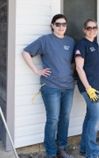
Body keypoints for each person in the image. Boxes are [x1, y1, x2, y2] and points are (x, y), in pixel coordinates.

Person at [22, 14, 75, 158]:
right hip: (51, 87)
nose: (61, 27)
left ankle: (62, 148)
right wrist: (37, 71)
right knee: (53, 119)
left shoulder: (70, 41)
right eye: (58, 24)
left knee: (65, 117)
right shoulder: (45, 40)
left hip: (69, 86)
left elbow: (73, 62)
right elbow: (26, 52)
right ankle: (51, 152)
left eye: (64, 24)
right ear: (52, 25)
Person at [74, 19, 99, 158]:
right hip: (88, 88)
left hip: (96, 86)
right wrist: (88, 88)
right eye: (89, 28)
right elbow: (79, 68)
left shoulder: (95, 44)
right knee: (96, 117)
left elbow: (94, 67)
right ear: (84, 29)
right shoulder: (82, 44)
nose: (92, 30)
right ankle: (92, 153)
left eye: (94, 28)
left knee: (89, 117)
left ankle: (84, 148)